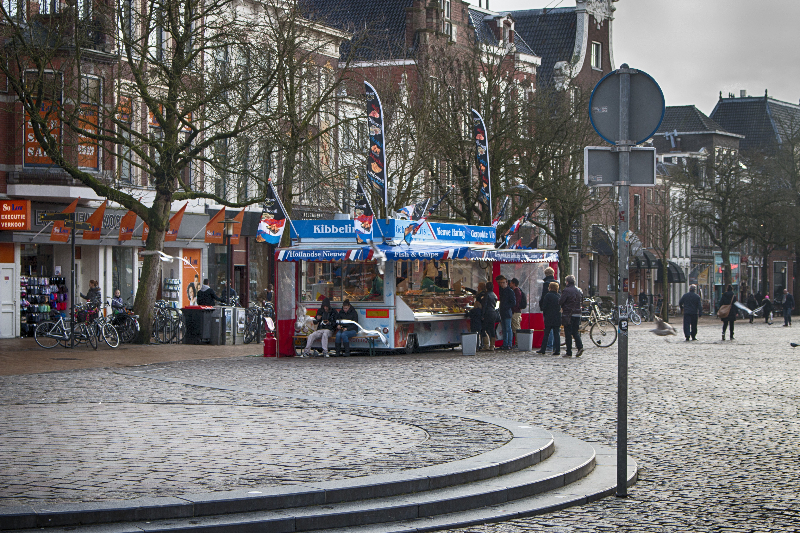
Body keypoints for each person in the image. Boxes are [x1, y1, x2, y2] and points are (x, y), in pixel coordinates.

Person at [559, 275, 584, 357]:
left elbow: (561, 301)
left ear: (567, 282)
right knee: (575, 331)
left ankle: (569, 352)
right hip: (578, 314)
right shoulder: (579, 290)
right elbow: (582, 301)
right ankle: (580, 347)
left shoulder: (566, 290)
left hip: (568, 314)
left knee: (568, 333)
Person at [536, 281, 561, 356]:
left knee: (546, 333)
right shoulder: (559, 296)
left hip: (549, 317)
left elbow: (544, 307)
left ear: (550, 288)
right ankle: (557, 350)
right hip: (557, 317)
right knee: (556, 334)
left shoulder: (547, 296)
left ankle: (543, 349)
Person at [539, 267, 556, 352]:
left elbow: (543, 296)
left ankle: (549, 345)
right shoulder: (557, 283)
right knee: (555, 328)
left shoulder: (546, 283)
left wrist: (541, 306)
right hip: (555, 308)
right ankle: (554, 345)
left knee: (548, 328)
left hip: (548, 308)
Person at [496, 275, 516, 349]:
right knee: (504, 329)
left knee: (508, 328)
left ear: (507, 283)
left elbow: (513, 302)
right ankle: (505, 343)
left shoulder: (510, 291)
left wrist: (506, 306)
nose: (502, 284)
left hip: (507, 312)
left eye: (503, 282)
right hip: (502, 312)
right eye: (501, 283)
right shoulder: (502, 291)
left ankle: (509, 344)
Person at [481, 282, 498, 351]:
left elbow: (484, 305)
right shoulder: (494, 295)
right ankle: (492, 345)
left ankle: (486, 345)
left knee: (483, 329)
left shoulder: (487, 294)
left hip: (487, 313)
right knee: (492, 329)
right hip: (493, 313)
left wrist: (482, 314)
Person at [510, 278, 523, 347]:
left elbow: (516, 303)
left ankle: (518, 343)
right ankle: (517, 342)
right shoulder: (518, 291)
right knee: (516, 327)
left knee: (516, 328)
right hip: (517, 311)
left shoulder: (516, 291)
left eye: (511, 283)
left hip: (515, 312)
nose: (510, 284)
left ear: (514, 283)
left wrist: (513, 309)